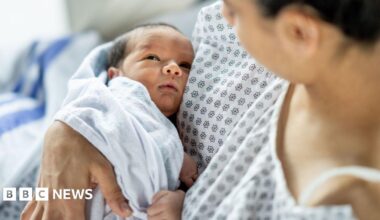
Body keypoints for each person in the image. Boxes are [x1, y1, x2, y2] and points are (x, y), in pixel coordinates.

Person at [22, 0, 380, 219]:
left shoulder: (329, 202)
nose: (220, 12)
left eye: (235, 9)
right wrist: (68, 127)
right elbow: (124, 52)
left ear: (299, 33)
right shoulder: (234, 33)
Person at [22, 23, 197, 220]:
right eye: (152, 57)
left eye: (185, 65)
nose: (174, 69)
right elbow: (109, 127)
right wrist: (178, 158)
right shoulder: (119, 95)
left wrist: (181, 201)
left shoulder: (178, 131)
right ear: (115, 75)